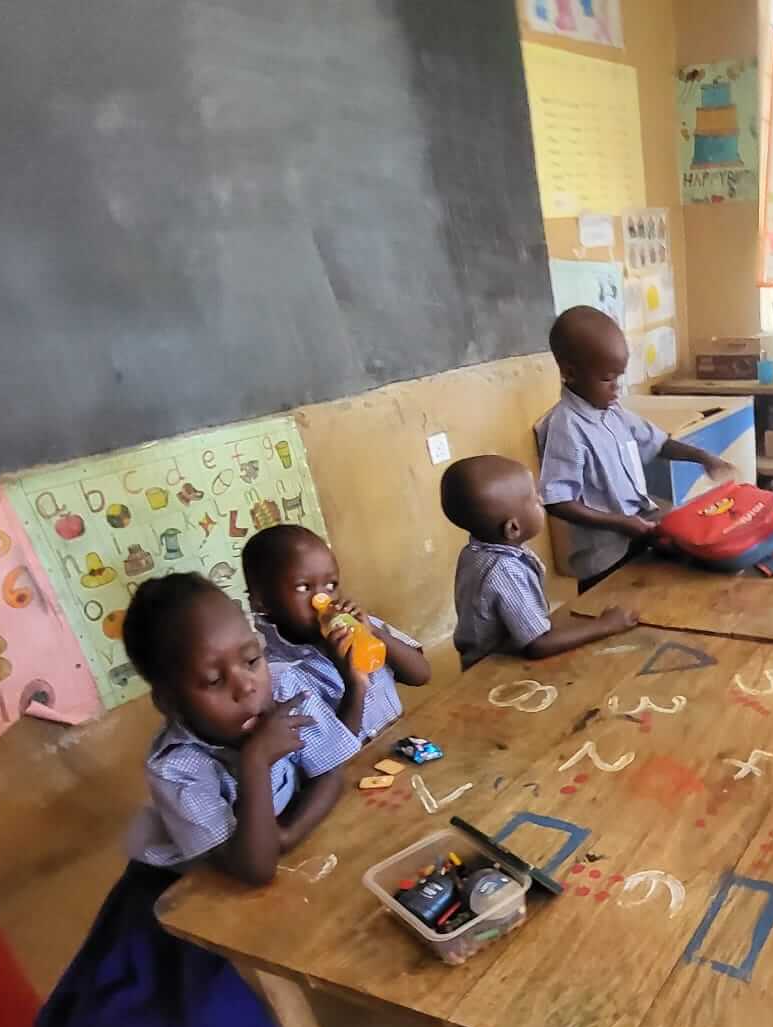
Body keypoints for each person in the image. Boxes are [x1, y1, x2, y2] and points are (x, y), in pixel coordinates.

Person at [0, 574, 361, 1027]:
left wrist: (284, 835)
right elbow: (247, 868)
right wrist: (255, 765)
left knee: (232, 1009)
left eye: (250, 659)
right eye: (212, 680)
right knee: (107, 1009)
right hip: (181, 887)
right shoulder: (176, 766)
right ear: (171, 701)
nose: (245, 685)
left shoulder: (285, 689)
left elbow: (332, 774)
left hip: (270, 862)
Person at [536, 306, 737, 589]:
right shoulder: (565, 427)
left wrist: (703, 457)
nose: (617, 388)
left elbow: (657, 442)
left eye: (619, 377)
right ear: (570, 372)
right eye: (607, 379)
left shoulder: (614, 412)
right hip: (604, 557)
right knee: (608, 605)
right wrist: (619, 522)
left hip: (638, 534)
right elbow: (558, 502)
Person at [443, 454, 639, 668]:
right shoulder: (505, 570)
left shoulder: (475, 550)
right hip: (497, 669)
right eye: (535, 499)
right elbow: (538, 644)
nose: (542, 501)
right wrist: (606, 625)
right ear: (513, 528)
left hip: (492, 656)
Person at [241, 524, 431, 744]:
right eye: (304, 588)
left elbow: (421, 675)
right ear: (262, 602)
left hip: (401, 747)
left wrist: (374, 632)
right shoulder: (282, 677)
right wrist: (354, 685)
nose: (322, 599)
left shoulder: (364, 627)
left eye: (331, 585)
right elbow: (334, 755)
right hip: (359, 764)